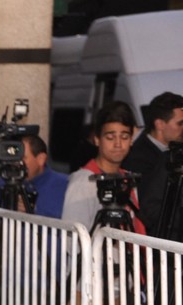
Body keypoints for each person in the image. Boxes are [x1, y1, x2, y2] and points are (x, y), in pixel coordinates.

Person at [61, 100, 145, 234]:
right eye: (110, 137)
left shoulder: (127, 180)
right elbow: (72, 238)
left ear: (131, 140)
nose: (118, 144)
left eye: (124, 137)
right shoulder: (84, 182)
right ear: (97, 139)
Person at [0, 134, 70, 218]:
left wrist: (35, 210)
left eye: (22, 158)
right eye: (14, 158)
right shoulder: (5, 179)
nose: (16, 163)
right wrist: (3, 201)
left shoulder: (65, 184)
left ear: (41, 159)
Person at [122, 92, 183, 233]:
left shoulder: (176, 152)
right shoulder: (137, 159)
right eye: (180, 123)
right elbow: (149, 209)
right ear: (159, 124)